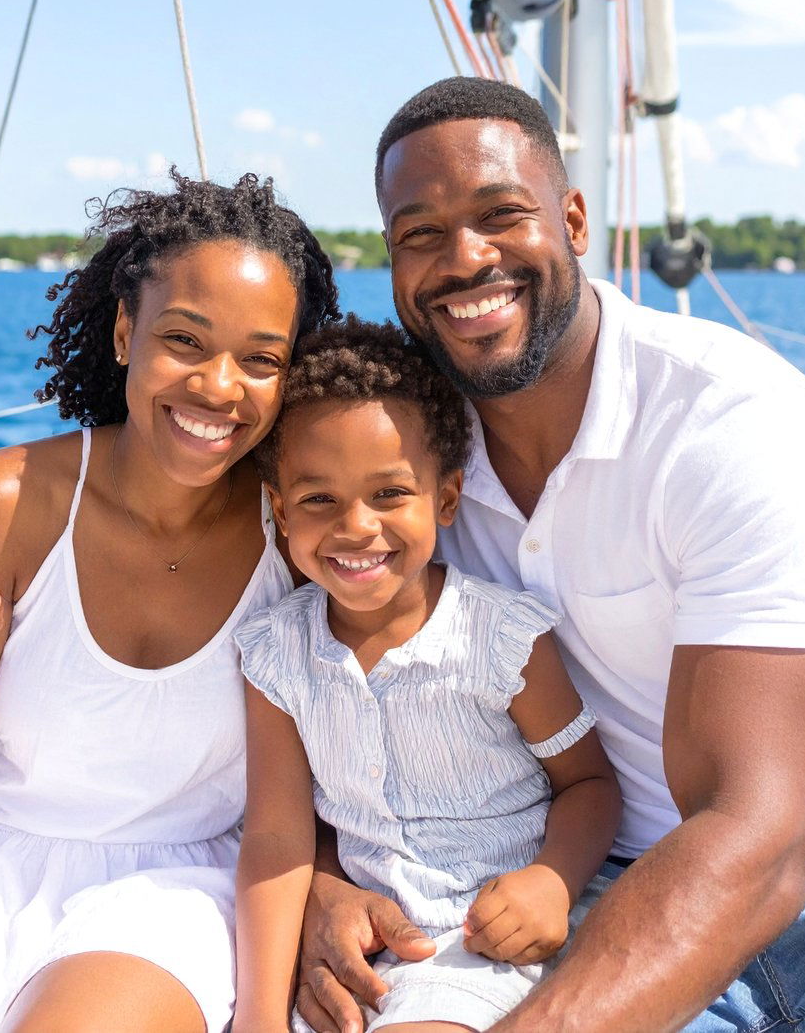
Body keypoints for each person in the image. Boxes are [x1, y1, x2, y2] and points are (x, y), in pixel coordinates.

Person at [0, 78, 805, 1031]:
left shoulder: (726, 420)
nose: (465, 258)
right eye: (421, 234)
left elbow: (760, 839)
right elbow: (183, 522)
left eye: (502, 214)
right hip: (592, 879)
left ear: (573, 223)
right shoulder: (408, 441)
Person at [0, 171, 340, 1033]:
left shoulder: (297, 532)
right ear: (126, 332)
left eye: (261, 359)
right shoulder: (5, 503)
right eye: (185, 339)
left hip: (179, 888)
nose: (218, 385)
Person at [230, 319, 620, 1032]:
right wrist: (258, 1015)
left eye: (389, 495)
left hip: (486, 939)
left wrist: (551, 881)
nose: (356, 527)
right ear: (281, 512)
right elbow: (277, 837)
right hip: (361, 941)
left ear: (444, 499)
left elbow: (589, 786)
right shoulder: (275, 655)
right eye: (319, 500)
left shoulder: (502, 638)